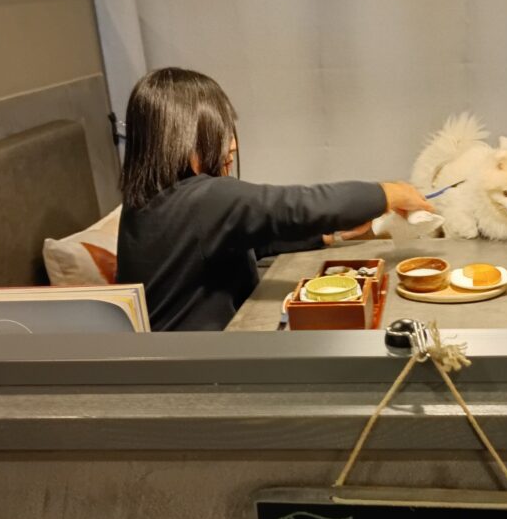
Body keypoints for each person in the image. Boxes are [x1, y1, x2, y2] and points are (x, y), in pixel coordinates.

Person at [116, 68, 432, 331]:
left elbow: (249, 241)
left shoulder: (148, 203)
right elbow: (297, 205)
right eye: (218, 132)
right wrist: (389, 192)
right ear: (180, 138)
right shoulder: (203, 200)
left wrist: (329, 235)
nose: (233, 145)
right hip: (199, 371)